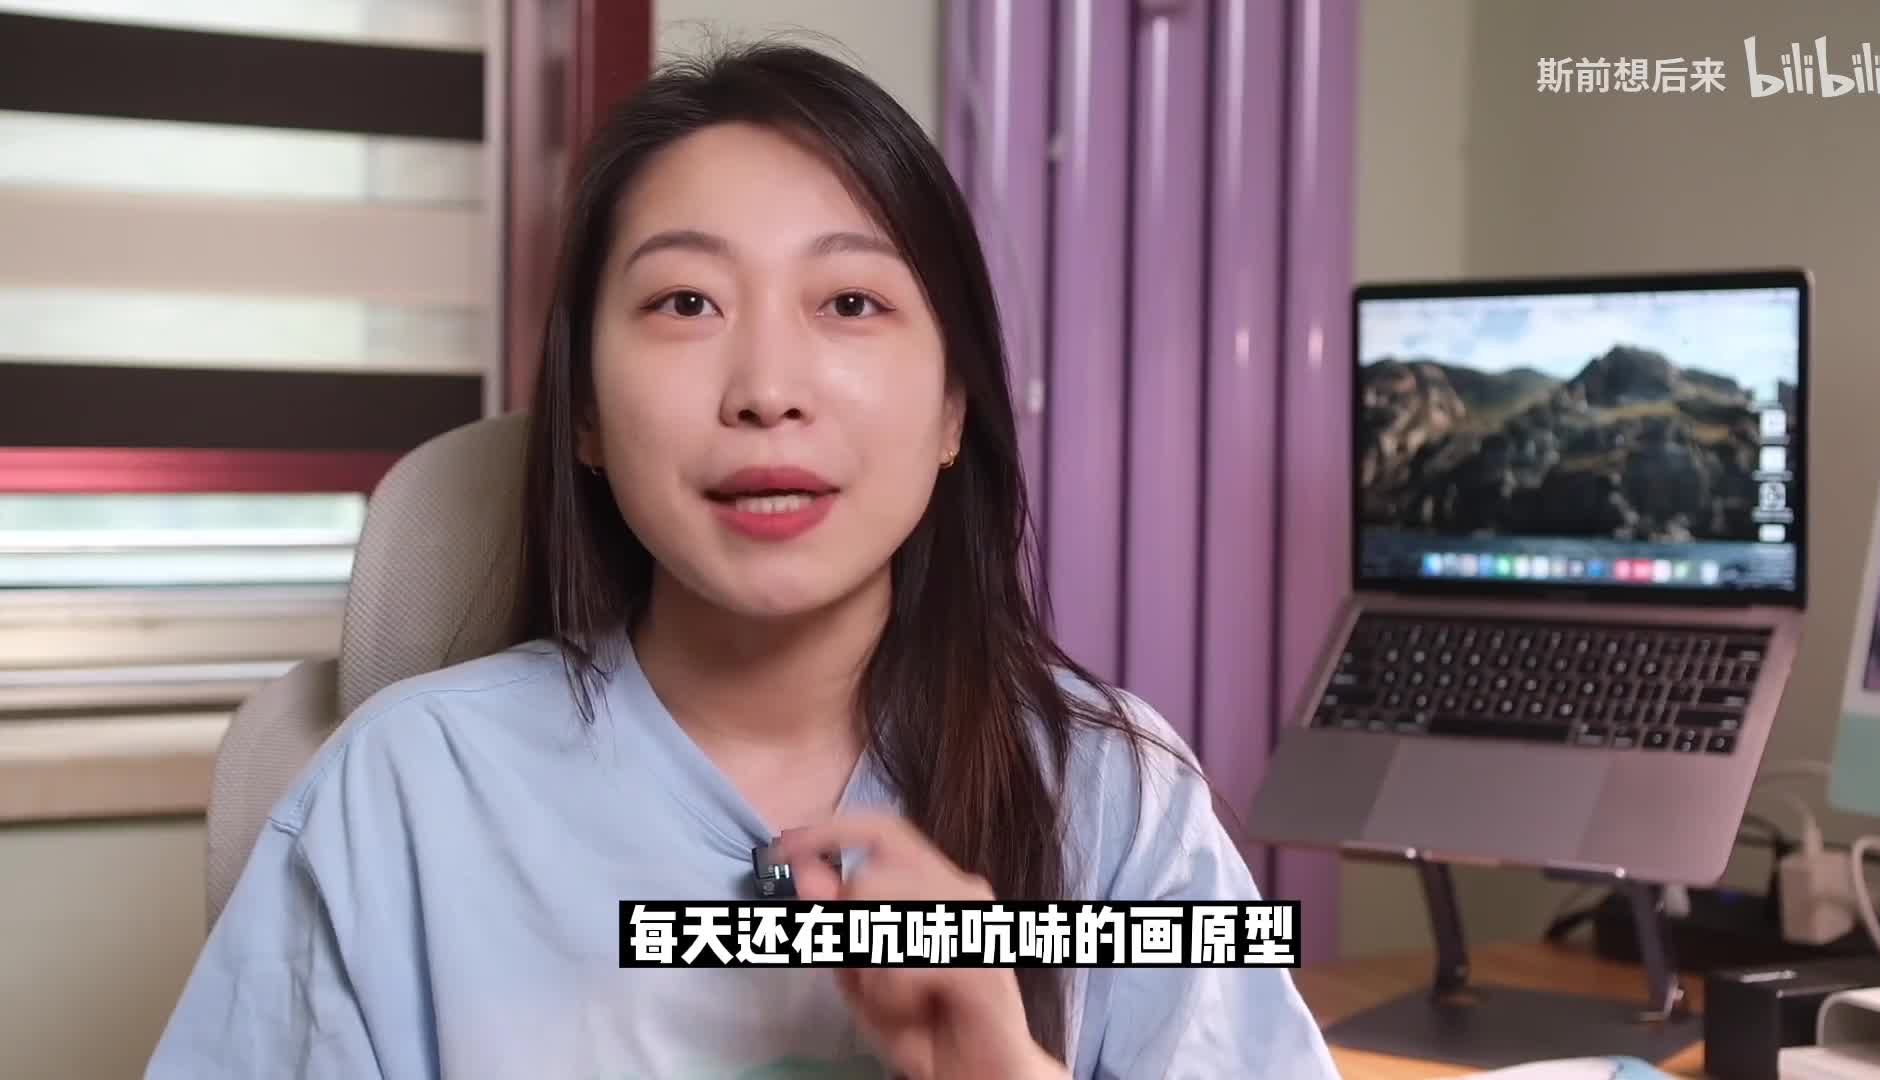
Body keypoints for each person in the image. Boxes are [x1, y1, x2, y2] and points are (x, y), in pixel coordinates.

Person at [146, 43, 1340, 1080]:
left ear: (952, 410)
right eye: (685, 303)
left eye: (851, 303)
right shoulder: (402, 795)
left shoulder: (1115, 798)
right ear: (584, 412)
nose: (768, 390)